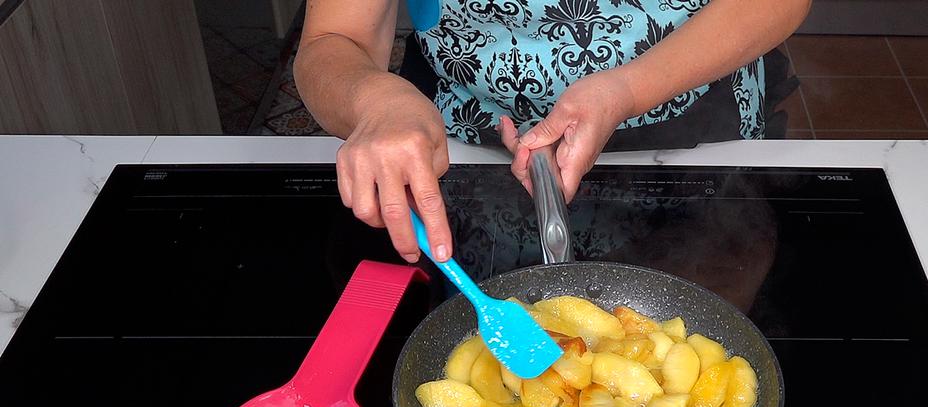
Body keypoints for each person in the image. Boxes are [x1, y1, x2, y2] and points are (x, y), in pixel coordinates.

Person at [294, 0, 811, 263]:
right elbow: (335, 38)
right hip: (456, 146)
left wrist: (625, 92)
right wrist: (375, 101)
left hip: (690, 132)